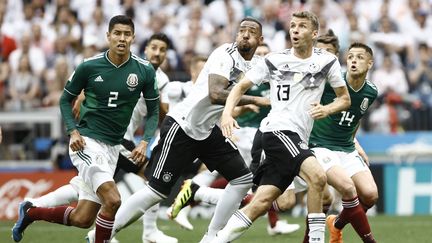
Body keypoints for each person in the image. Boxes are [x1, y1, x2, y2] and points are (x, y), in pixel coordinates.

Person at [110, 17, 269, 243]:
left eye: (251, 32)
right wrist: (259, 101)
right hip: (183, 126)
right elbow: (215, 94)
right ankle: (101, 234)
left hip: (207, 131)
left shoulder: (255, 64)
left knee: (242, 180)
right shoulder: (225, 53)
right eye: (241, 30)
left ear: (259, 39)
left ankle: (211, 236)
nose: (245, 34)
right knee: (156, 191)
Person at [12, 15, 160, 243]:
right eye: (117, 33)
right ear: (108, 36)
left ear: (133, 37)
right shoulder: (89, 66)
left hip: (113, 148)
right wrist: (73, 131)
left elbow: (154, 112)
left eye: (127, 34)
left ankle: (31, 212)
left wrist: (144, 141)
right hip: (86, 142)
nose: (122, 38)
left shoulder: (144, 71)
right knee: (113, 199)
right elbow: (64, 100)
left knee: (82, 218)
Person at [216, 11, 351, 243]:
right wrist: (227, 114)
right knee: (318, 178)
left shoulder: (326, 62)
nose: (295, 30)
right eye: (292, 26)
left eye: (301, 26)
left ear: (314, 33)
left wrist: (327, 109)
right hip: (278, 131)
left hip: (299, 137)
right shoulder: (274, 59)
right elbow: (239, 87)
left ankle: (213, 240)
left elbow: (344, 98)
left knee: (261, 203)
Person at [169, 43, 300, 236]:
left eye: (266, 54)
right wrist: (234, 114)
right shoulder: (246, 80)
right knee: (247, 183)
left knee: (272, 195)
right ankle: (196, 198)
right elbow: (229, 102)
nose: (262, 58)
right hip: (248, 134)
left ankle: (197, 192)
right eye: (259, 54)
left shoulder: (276, 79)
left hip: (272, 136)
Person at [309, 42, 379, 243]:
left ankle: (336, 224)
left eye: (359, 57)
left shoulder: (371, 92)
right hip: (320, 145)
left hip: (346, 148)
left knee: (371, 195)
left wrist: (355, 144)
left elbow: (356, 119)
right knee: (348, 189)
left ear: (370, 63)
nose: (354, 61)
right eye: (350, 57)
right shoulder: (333, 82)